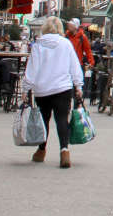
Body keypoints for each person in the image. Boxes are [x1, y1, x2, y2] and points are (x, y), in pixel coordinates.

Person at [23, 16, 84, 169]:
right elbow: (74, 66)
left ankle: (41, 151)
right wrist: (78, 85)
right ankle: (64, 151)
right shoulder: (66, 44)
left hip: (42, 89)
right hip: (62, 87)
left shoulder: (38, 45)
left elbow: (32, 68)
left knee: (44, 119)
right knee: (62, 119)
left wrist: (26, 88)